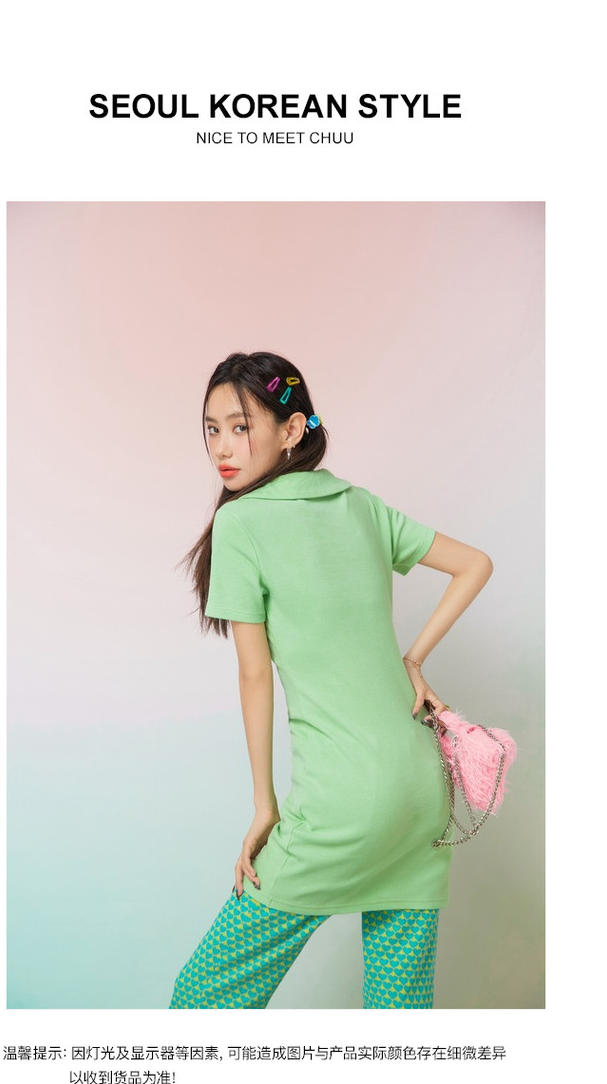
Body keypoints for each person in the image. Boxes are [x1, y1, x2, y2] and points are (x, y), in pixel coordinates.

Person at [169, 351, 493, 1010]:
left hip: (344, 804)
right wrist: (413, 659)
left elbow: (255, 675)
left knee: (202, 1001)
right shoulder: (361, 506)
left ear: (292, 430)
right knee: (397, 1019)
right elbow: (475, 564)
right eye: (212, 429)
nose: (222, 448)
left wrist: (265, 806)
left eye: (240, 427)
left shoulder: (241, 522)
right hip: (422, 792)